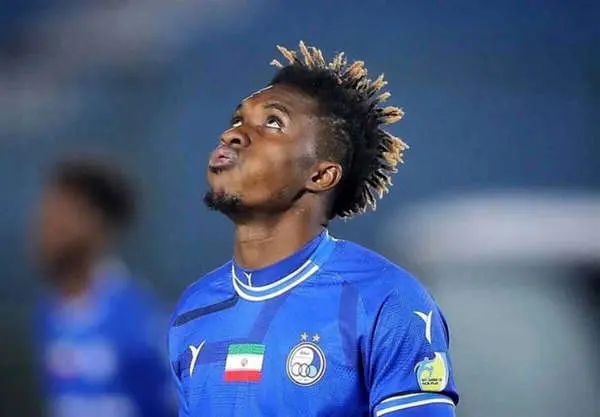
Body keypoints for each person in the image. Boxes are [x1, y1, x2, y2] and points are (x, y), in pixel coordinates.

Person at [168, 42, 459, 416]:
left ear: (321, 175)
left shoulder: (385, 300)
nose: (233, 135)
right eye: (237, 120)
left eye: (273, 122)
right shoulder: (194, 309)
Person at [31, 158, 173, 417]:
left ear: (95, 222)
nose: (45, 229)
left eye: (60, 215)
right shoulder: (50, 312)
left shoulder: (137, 321)